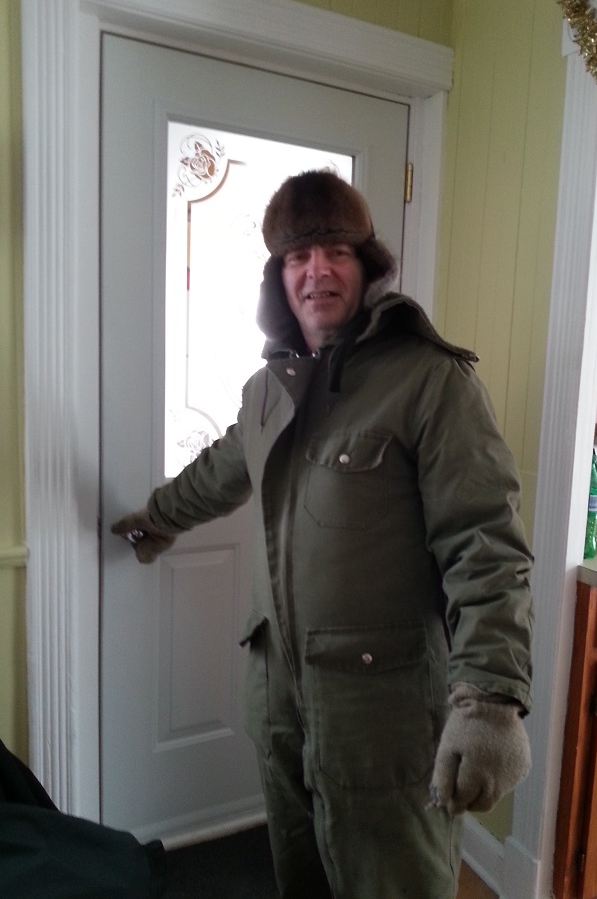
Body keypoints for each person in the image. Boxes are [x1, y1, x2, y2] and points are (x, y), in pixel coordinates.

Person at [112, 170, 534, 899]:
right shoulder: (266, 390)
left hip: (383, 720)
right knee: (302, 881)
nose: (318, 271)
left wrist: (491, 699)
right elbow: (220, 471)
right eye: (298, 257)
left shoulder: (431, 380)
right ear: (278, 277)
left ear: (366, 265)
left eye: (337, 251)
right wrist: (155, 519)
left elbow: (484, 542)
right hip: (279, 706)